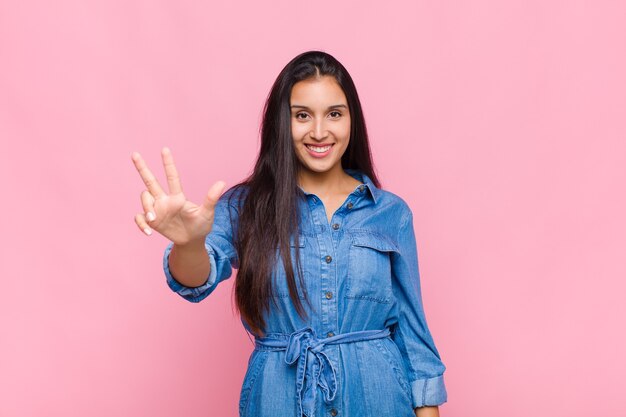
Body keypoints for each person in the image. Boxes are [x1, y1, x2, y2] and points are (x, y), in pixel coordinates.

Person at [131, 50, 447, 417]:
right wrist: (189, 243)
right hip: (277, 399)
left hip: (379, 398)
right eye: (302, 115)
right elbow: (195, 279)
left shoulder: (390, 213)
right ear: (282, 123)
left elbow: (413, 333)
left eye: (334, 114)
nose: (318, 131)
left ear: (352, 120)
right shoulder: (245, 205)